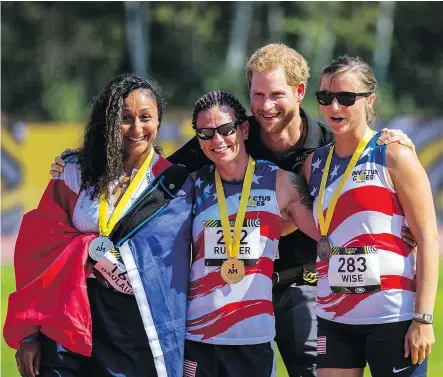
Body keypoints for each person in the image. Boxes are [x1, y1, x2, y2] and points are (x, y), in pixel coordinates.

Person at [49, 44, 416, 377]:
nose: (266, 105)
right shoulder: (219, 141)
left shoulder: (324, 147)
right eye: (258, 95)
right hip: (217, 308)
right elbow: (149, 171)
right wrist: (82, 160)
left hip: (300, 285)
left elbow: (349, 197)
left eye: (276, 95)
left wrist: (401, 223)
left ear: (300, 93)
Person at [4, 73, 194, 377]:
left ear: (159, 121)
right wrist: (30, 334)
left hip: (133, 328)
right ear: (109, 120)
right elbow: (38, 247)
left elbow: (172, 262)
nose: (136, 129)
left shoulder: (174, 184)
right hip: (67, 317)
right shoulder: (76, 172)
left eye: (146, 117)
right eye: (125, 118)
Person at [301, 55, 438, 377]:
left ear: (370, 100)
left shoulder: (394, 154)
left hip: (392, 316)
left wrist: (423, 319)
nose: (334, 107)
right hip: (334, 317)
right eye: (325, 97)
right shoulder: (314, 164)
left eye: (346, 98)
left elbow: (428, 237)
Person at [184, 90, 320, 377]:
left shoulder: (282, 183)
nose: (217, 141)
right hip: (198, 337)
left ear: (244, 129)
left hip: (253, 339)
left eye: (225, 130)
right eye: (206, 133)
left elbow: (329, 235)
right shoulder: (191, 186)